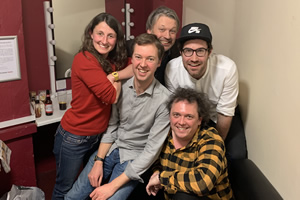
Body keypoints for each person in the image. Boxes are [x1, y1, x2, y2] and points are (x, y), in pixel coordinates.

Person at [65, 33, 171, 200]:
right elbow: (112, 126)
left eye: (150, 59)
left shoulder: (165, 100)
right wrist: (98, 161)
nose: (142, 64)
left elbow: (151, 151)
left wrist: (111, 187)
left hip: (134, 158)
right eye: (138, 57)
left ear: (158, 62)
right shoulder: (120, 88)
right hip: (112, 149)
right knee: (72, 197)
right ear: (132, 60)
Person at [51, 13, 129, 200]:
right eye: (100, 34)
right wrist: (116, 77)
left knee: (84, 187)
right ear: (90, 34)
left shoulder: (109, 61)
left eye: (110, 36)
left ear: (116, 39)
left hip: (97, 137)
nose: (104, 40)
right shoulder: (84, 59)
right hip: (74, 137)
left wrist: (114, 76)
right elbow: (110, 96)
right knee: (65, 188)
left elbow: (136, 65)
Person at [146, 87, 233, 200]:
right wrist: (156, 172)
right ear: (169, 116)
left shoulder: (211, 140)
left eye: (189, 116)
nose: (181, 122)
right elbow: (156, 160)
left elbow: (203, 183)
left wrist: (162, 178)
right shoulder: (165, 135)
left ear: (199, 120)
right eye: (176, 115)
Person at [165, 23, 239, 140]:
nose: (194, 59)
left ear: (209, 52)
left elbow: (225, 113)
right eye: (188, 51)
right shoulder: (171, 69)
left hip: (218, 115)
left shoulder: (227, 69)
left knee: (235, 155)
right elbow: (175, 110)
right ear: (181, 52)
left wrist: (215, 145)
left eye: (200, 51)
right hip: (188, 118)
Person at [123, 6, 180, 86]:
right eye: (162, 29)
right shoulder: (127, 49)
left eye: (172, 31)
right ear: (149, 30)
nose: (167, 36)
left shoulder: (179, 56)